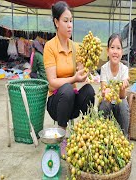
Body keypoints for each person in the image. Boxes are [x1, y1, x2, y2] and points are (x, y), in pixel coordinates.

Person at [43, 1, 95, 155]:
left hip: (72, 101)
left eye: (71, 21)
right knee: (66, 89)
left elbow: (81, 72)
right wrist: (73, 79)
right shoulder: (50, 47)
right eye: (65, 21)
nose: (69, 25)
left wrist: (87, 70)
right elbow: (52, 82)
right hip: (56, 102)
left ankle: (87, 133)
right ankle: (62, 137)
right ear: (56, 22)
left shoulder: (75, 47)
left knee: (89, 91)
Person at [98, 33, 129, 137]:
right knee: (104, 104)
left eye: (118, 48)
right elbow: (104, 91)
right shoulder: (104, 69)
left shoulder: (124, 69)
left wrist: (122, 88)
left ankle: (124, 137)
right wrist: (105, 92)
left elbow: (122, 96)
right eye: (112, 48)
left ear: (122, 51)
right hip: (108, 101)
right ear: (107, 51)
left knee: (124, 104)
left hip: (119, 102)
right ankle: (102, 135)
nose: (115, 51)